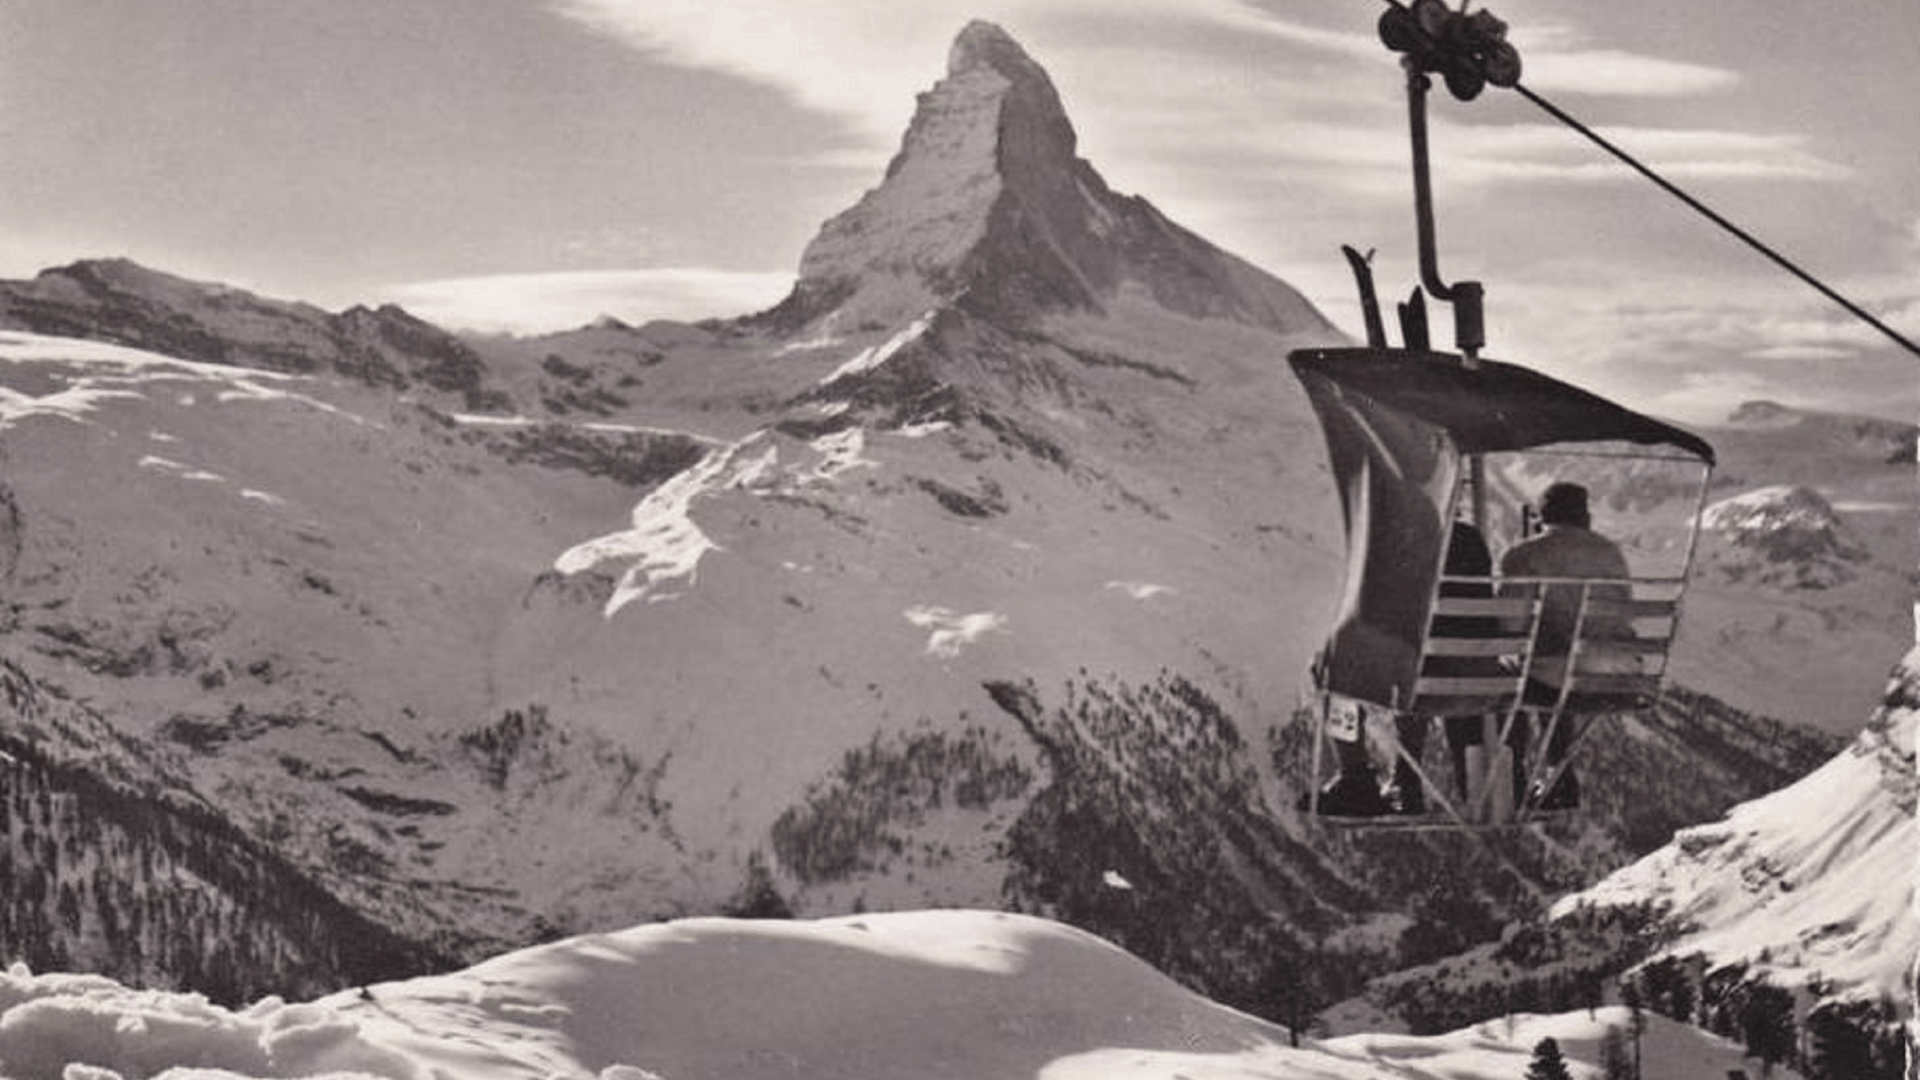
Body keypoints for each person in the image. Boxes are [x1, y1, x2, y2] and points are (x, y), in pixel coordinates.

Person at [1497, 482, 1632, 809]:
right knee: (1556, 670)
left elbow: (1508, 626)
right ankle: (1558, 775)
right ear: (1585, 516)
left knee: (1511, 676)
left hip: (1557, 674)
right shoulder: (1612, 552)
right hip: (1616, 674)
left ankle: (1513, 781)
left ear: (1543, 515)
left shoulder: (1524, 555)